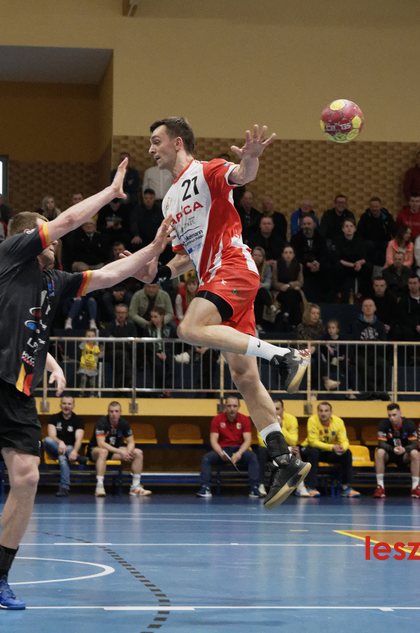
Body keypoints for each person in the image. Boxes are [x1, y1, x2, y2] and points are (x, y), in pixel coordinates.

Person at [0, 162, 173, 611]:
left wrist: (155, 248)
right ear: (29, 235)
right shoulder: (11, 255)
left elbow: (108, 276)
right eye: (48, 235)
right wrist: (110, 192)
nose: (56, 242)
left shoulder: (56, 281)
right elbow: (68, 220)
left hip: (19, 392)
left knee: (28, 477)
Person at [146, 118, 310, 509]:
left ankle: (285, 356)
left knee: (188, 327)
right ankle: (284, 460)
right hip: (216, 279)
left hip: (232, 268)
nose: (151, 150)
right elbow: (185, 255)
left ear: (177, 142)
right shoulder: (169, 201)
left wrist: (251, 158)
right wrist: (159, 272)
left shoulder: (208, 170)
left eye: (156, 141)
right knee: (244, 377)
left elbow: (242, 175)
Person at [196, 395, 259, 498]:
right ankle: (205, 487)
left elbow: (248, 440)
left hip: (239, 449)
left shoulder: (245, 419)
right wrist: (221, 454)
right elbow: (213, 440)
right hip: (223, 450)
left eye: (234, 406)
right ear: (225, 407)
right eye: (229, 406)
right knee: (207, 458)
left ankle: (254, 487)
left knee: (252, 457)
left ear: (239, 406)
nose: (232, 409)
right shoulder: (217, 419)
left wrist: (239, 453)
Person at [89, 401, 152, 497]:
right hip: (96, 450)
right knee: (103, 451)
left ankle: (135, 487)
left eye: (116, 411)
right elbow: (101, 443)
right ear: (108, 412)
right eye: (111, 411)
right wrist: (120, 451)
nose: (114, 414)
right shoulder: (102, 422)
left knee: (138, 452)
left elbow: (131, 442)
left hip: (113, 450)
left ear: (120, 412)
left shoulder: (124, 423)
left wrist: (128, 452)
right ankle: (99, 486)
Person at [302, 402, 360, 497]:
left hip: (327, 451)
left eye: (326, 411)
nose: (323, 413)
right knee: (314, 452)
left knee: (347, 453)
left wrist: (343, 448)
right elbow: (313, 442)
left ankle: (345, 487)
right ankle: (311, 487)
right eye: (321, 411)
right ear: (318, 412)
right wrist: (332, 447)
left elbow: (344, 440)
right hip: (309, 450)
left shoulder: (338, 422)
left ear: (331, 412)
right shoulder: (312, 420)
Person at [373, 403, 420, 498]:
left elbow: (414, 444)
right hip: (389, 454)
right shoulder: (383, 423)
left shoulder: (409, 424)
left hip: (404, 454)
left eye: (394, 415)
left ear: (400, 414)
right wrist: (393, 449)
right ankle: (380, 487)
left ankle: (415, 488)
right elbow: (381, 443)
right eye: (389, 415)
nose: (392, 418)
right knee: (380, 452)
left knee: (415, 453)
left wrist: (404, 449)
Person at [44, 396, 86, 497]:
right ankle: (78, 458)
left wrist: (74, 451)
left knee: (63, 457)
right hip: (54, 449)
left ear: (73, 406)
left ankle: (64, 487)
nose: (66, 406)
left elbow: (79, 439)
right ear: (60, 405)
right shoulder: (54, 418)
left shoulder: (78, 420)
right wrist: (60, 442)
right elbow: (52, 436)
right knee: (47, 440)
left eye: (69, 404)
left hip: (70, 450)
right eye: (64, 403)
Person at [349, 298, 390, 400]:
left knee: (382, 363)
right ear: (362, 309)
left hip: (376, 354)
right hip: (360, 353)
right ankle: (376, 391)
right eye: (366, 306)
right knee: (361, 363)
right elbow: (357, 341)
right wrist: (374, 342)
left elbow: (382, 343)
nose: (368, 308)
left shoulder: (380, 325)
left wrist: (366, 342)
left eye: (370, 306)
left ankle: (375, 390)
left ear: (375, 308)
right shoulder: (356, 324)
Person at [290, 214, 330, 303]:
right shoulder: (296, 238)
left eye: (309, 224)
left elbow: (324, 254)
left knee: (328, 268)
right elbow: (295, 255)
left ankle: (325, 299)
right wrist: (307, 264)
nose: (306, 226)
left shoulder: (320, 238)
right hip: (303, 266)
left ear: (314, 224)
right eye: (304, 224)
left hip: (318, 267)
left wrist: (318, 263)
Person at [333, 219, 370, 301]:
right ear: (343, 229)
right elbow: (337, 258)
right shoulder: (337, 239)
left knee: (368, 267)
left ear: (355, 229)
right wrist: (352, 265)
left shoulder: (360, 240)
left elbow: (364, 257)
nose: (349, 228)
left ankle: (363, 292)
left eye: (351, 226)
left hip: (357, 266)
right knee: (337, 266)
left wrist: (359, 263)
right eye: (346, 226)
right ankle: (338, 291)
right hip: (345, 266)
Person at [106, 303, 138, 391]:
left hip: (126, 354)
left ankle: (119, 390)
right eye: (118, 313)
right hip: (111, 353)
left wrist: (117, 342)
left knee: (121, 361)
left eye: (123, 313)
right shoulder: (110, 326)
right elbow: (110, 345)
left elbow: (133, 342)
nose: (120, 315)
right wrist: (125, 343)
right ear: (115, 314)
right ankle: (130, 379)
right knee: (122, 355)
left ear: (127, 314)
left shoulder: (131, 326)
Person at [357, 197, 395, 266]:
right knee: (368, 245)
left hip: (384, 242)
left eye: (376, 206)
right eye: (372, 207)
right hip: (369, 242)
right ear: (370, 207)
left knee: (389, 245)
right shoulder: (365, 217)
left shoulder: (387, 217)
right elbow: (359, 232)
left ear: (381, 206)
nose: (374, 209)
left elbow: (394, 230)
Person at [273, 245, 305, 326]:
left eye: (290, 253)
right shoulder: (277, 265)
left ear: (294, 255)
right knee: (293, 300)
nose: (288, 255)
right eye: (286, 252)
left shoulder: (298, 266)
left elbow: (300, 282)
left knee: (292, 293)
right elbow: (274, 282)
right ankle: (296, 323)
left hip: (293, 290)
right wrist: (282, 286)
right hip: (281, 292)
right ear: (282, 255)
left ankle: (285, 313)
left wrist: (289, 285)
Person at [76, 329, 102, 395]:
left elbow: (99, 355)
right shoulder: (84, 345)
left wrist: (101, 351)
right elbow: (81, 347)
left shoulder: (96, 347)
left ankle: (92, 393)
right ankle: (81, 393)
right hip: (84, 366)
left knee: (92, 382)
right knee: (83, 380)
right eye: (89, 336)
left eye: (93, 336)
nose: (91, 337)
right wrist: (85, 340)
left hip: (92, 367)